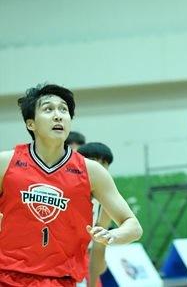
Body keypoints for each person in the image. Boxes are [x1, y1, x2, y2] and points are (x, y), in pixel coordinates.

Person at [0, 84, 142, 286]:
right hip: (7, 276)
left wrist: (112, 235)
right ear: (31, 123)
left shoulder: (91, 171)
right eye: (48, 109)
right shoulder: (6, 163)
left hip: (63, 279)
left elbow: (133, 226)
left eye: (63, 110)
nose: (58, 116)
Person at [78, 142, 115, 287]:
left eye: (104, 163)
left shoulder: (107, 198)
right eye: (93, 160)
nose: (99, 166)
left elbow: (99, 245)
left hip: (85, 255)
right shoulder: (66, 190)